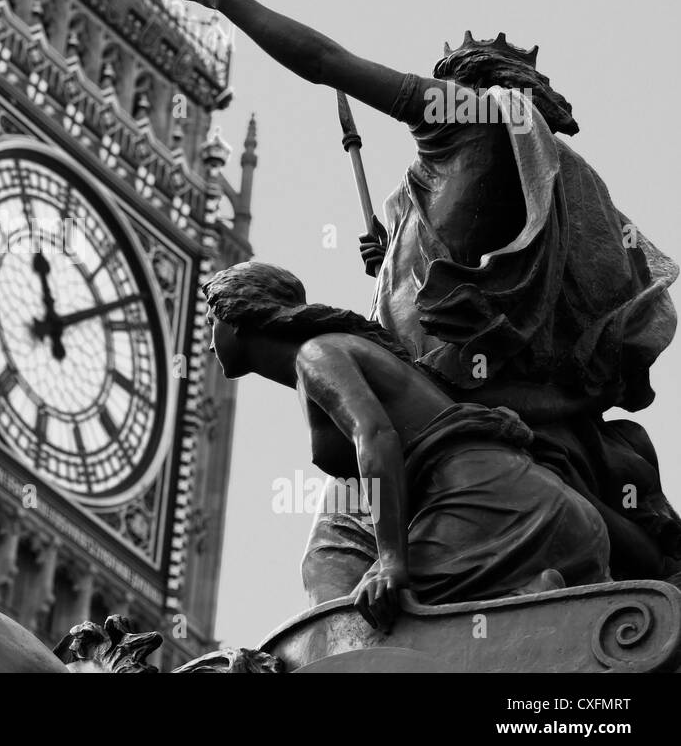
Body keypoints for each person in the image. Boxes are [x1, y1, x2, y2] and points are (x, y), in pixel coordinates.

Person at [178, 0, 681, 591]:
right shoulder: (545, 174)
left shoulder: (465, 122)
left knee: (333, 557)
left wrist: (228, 0)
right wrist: (392, 262)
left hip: (448, 408)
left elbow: (327, 64)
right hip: (518, 402)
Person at [203, 261, 610, 630]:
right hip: (552, 516)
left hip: (499, 513)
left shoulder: (318, 354)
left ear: (236, 317)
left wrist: (393, 561)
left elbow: (376, 438)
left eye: (209, 323)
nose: (207, 343)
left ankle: (527, 595)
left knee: (353, 627)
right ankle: (525, 596)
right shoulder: (336, 351)